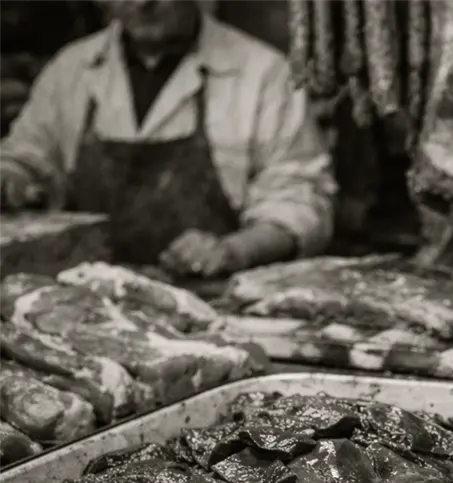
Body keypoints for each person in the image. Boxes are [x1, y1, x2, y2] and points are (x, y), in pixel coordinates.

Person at [0, 0, 335, 276]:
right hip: (86, 298)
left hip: (212, 304)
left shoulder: (263, 72)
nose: (143, 3)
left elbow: (300, 198)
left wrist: (236, 249)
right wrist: (13, 177)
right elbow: (28, 156)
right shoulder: (71, 68)